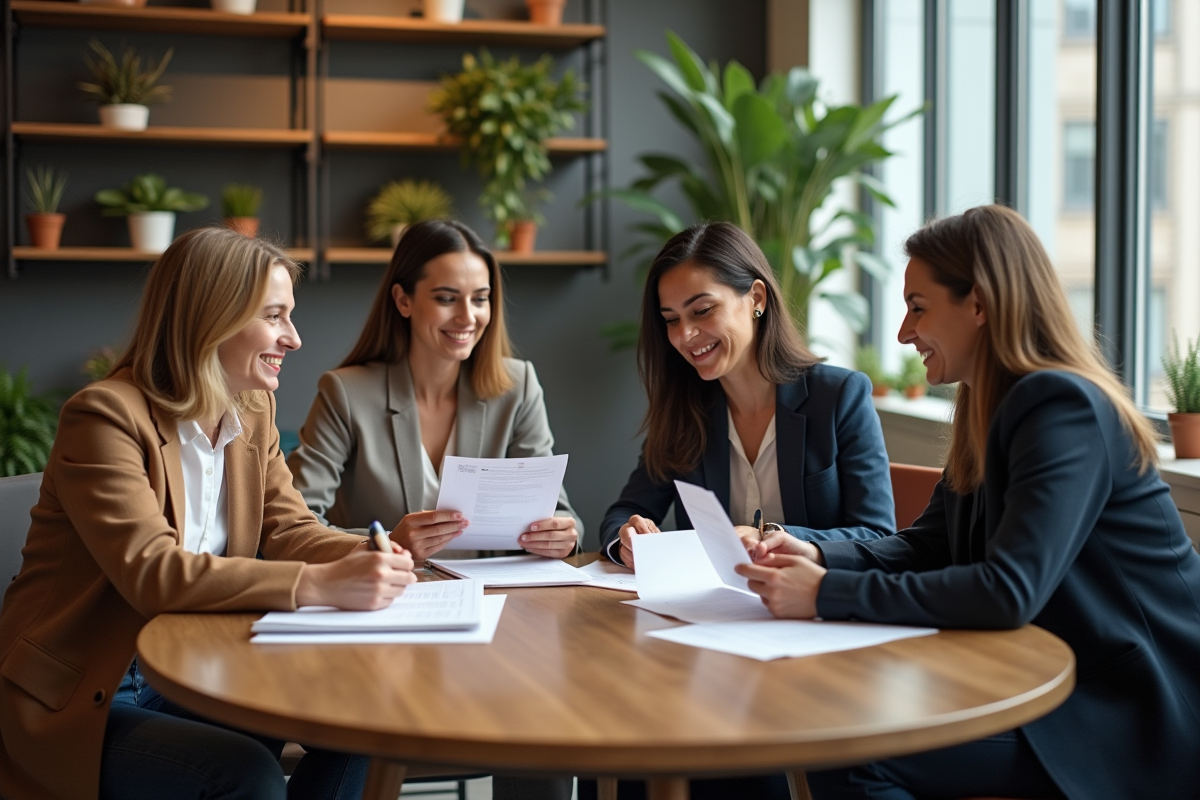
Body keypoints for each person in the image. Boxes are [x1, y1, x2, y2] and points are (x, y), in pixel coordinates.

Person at [737, 205, 1200, 799]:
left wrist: (824, 594)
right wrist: (819, 556)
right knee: (831, 732)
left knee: (853, 754)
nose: (904, 333)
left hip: (1129, 709)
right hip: (1045, 678)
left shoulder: (1063, 409)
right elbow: (926, 544)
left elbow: (1008, 591)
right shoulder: (988, 407)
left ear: (978, 304)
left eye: (918, 307)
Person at [0, 229, 418, 800]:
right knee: (242, 773)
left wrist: (375, 554)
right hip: (93, 692)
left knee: (371, 716)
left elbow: (290, 529)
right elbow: (153, 573)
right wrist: (321, 584)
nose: (293, 338)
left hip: (196, 664)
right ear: (211, 318)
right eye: (275, 316)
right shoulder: (104, 416)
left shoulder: (251, 409)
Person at [286, 218, 581, 800]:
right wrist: (387, 543)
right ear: (402, 299)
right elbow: (293, 526)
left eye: (480, 299)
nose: (467, 317)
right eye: (446, 299)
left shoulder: (517, 387)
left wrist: (561, 534)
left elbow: (562, 511)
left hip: (501, 627)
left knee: (544, 716)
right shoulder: (346, 392)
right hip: (384, 629)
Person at [598, 221, 894, 570]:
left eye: (702, 310)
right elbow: (624, 513)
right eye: (671, 319)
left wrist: (773, 537)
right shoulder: (684, 408)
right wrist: (627, 539)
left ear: (757, 298)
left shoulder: (840, 397)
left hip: (814, 609)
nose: (686, 334)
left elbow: (878, 537)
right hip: (711, 612)